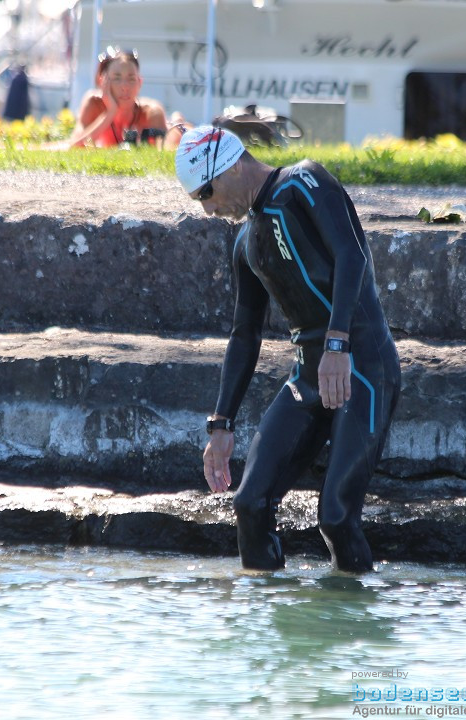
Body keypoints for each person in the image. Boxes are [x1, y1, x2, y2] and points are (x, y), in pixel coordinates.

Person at [175, 126, 402, 573]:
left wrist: (338, 344)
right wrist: (220, 425)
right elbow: (245, 335)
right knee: (250, 504)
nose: (207, 208)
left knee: (336, 518)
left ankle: (354, 628)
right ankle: (266, 633)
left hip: (363, 367)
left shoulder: (305, 182)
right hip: (308, 376)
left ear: (233, 165)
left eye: (207, 192)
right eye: (197, 200)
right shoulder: (246, 241)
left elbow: (351, 255)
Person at [66, 47, 184, 150]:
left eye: (131, 79)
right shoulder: (94, 103)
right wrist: (109, 113)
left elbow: (163, 150)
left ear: (140, 83)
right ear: (103, 82)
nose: (125, 87)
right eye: (117, 78)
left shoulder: (151, 112)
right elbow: (74, 146)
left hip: (176, 129)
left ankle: (177, 119)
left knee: (177, 127)